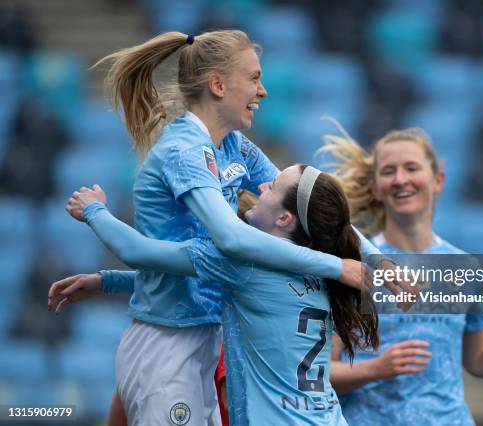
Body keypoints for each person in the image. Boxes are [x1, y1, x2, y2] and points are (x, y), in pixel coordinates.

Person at [48, 29, 371, 426]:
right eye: (254, 77)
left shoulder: (234, 146)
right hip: (168, 341)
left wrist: (377, 259)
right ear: (217, 85)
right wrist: (339, 266)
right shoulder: (184, 151)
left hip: (208, 337)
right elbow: (230, 239)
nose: (264, 90)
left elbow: (309, 206)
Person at [53, 165, 379, 425]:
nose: (261, 187)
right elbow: (199, 283)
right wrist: (109, 282)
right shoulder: (320, 270)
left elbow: (137, 250)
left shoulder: (247, 262)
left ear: (284, 218)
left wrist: (93, 210)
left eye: (273, 185)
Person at [319, 124, 483, 426]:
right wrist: (376, 369)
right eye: (388, 171)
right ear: (375, 187)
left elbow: (479, 357)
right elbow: (321, 371)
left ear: (438, 180)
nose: (400, 179)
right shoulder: (355, 266)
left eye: (411, 168)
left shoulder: (463, 267)